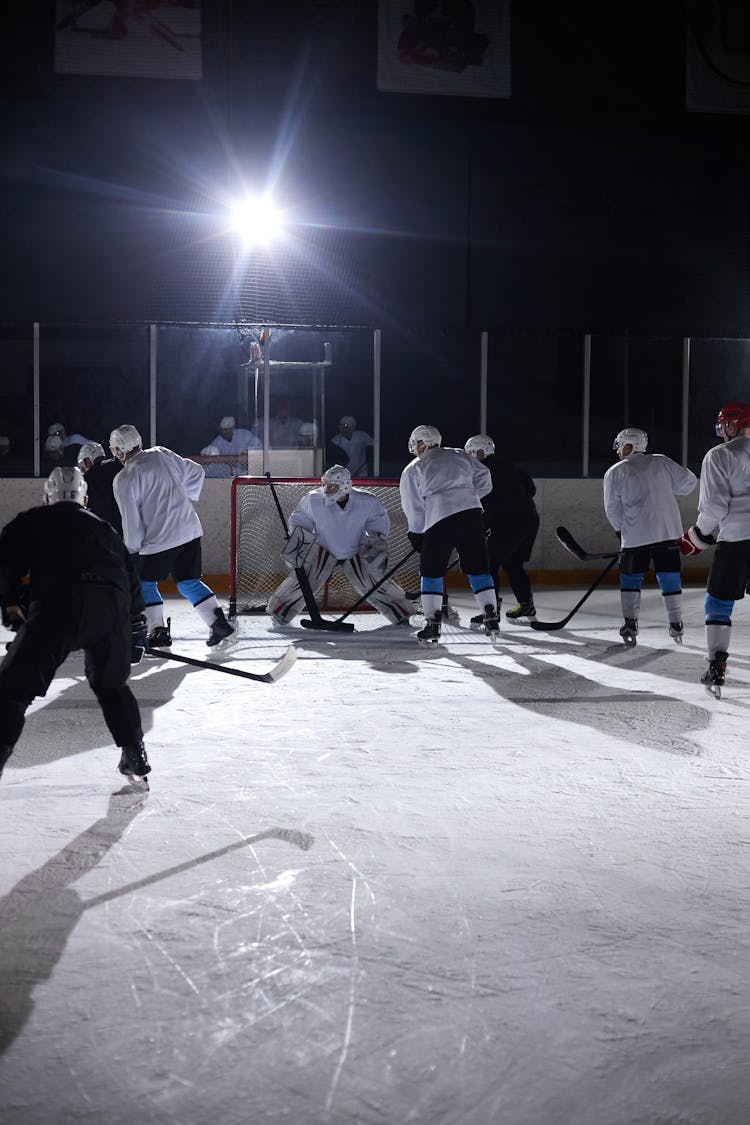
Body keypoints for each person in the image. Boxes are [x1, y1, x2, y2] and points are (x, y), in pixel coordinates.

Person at [0, 466, 150, 782]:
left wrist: (11, 602)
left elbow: (4, 561)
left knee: (13, 690)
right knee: (112, 684)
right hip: (110, 612)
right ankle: (135, 753)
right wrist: (134, 626)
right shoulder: (105, 529)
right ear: (85, 498)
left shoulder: (33, 520)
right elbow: (129, 579)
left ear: (47, 496)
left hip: (58, 608)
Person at [110, 424, 235, 649]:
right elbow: (196, 470)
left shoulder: (125, 477)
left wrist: (132, 550)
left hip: (160, 540)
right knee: (188, 582)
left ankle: (157, 631)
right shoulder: (162, 453)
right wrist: (182, 499)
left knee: (145, 584)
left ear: (119, 451)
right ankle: (218, 623)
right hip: (189, 530)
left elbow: (132, 521)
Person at [266, 465, 411, 627]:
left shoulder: (367, 500)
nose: (327, 489)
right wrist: (297, 540)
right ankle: (279, 612)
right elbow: (299, 519)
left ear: (345, 485)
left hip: (355, 552)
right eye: (326, 484)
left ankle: (401, 613)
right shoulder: (313, 499)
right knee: (302, 581)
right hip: (323, 550)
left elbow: (378, 521)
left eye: (332, 486)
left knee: (373, 583)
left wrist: (374, 540)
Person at [399, 425, 497, 645]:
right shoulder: (459, 454)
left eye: (416, 443)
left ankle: (432, 626)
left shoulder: (414, 467)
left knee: (432, 572)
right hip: (472, 516)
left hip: (439, 519)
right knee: (479, 567)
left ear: (422, 443)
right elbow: (484, 476)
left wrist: (416, 532)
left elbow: (413, 506)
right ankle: (491, 617)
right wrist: (469, 497)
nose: (414, 448)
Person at [679, 402, 750, 695]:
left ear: (733, 425)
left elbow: (714, 507)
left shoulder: (719, 455)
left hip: (736, 542)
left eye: (724, 426)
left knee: (718, 604)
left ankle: (716, 665)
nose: (722, 432)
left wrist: (695, 537)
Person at [604, 427, 697, 647]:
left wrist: (621, 532)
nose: (618, 451)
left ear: (629, 446)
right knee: (669, 577)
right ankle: (676, 623)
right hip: (668, 533)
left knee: (631, 580)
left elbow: (612, 509)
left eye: (620, 445)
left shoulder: (615, 471)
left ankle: (630, 623)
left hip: (636, 537)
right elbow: (689, 483)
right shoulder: (662, 461)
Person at [464, 434, 540, 624]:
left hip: (510, 523)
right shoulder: (509, 465)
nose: (470, 458)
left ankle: (491, 610)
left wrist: (482, 527)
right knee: (512, 563)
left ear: (481, 452)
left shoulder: (483, 471)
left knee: (489, 564)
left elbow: (487, 503)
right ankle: (526, 604)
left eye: (472, 453)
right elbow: (531, 488)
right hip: (529, 519)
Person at [77, 441, 124, 536]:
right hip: (124, 525)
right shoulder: (117, 464)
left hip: (103, 530)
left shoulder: (87, 479)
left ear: (88, 460)